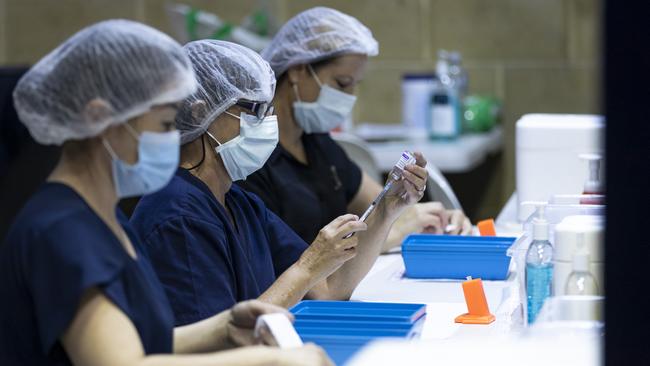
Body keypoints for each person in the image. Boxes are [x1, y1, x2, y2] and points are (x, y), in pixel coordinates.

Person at [0, 20, 332, 366]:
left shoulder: (103, 216)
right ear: (101, 118)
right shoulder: (62, 232)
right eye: (163, 125)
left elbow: (135, 340)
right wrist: (271, 361)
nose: (175, 137)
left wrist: (223, 327)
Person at [129, 39, 428, 326]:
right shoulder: (178, 216)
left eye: (268, 110)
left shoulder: (240, 204)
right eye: (254, 111)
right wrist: (307, 266)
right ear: (201, 112)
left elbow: (327, 291)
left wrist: (388, 209)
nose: (267, 123)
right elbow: (216, 344)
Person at [238, 7, 472, 252]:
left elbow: (382, 207)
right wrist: (394, 232)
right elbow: (290, 261)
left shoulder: (317, 144)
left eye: (354, 85)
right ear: (297, 69)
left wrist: (437, 217)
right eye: (342, 83)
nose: (348, 98)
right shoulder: (254, 157)